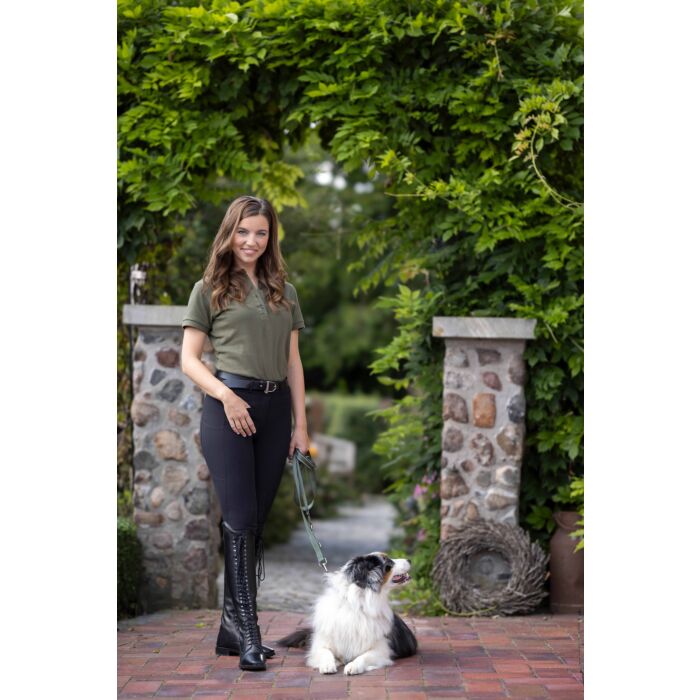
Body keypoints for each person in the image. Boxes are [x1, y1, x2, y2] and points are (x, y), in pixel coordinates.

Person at [180, 195, 309, 671]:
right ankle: (249, 632)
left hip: (274, 411)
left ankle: (231, 631)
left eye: (260, 232)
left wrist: (301, 426)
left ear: (270, 237)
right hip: (228, 408)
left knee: (254, 522)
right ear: (229, 233)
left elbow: (294, 363)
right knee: (238, 518)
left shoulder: (284, 292)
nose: (251, 241)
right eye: (243, 231)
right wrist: (227, 397)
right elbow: (189, 360)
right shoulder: (209, 289)